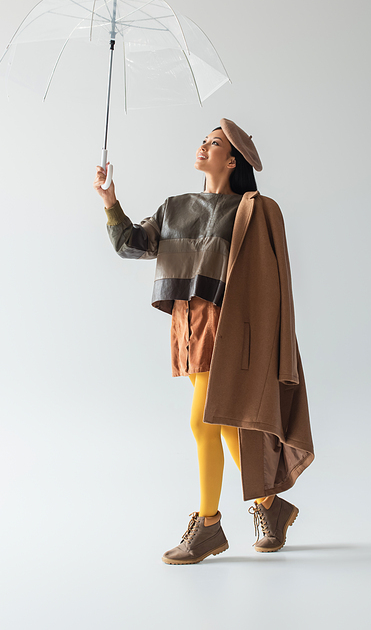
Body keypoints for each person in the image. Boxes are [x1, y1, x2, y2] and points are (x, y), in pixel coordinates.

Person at [93, 118, 314, 565]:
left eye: (214, 144)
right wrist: (110, 203)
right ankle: (271, 508)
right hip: (187, 326)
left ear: (232, 161)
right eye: (204, 140)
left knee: (203, 423)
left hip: (228, 328)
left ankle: (209, 524)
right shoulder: (176, 207)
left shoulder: (249, 210)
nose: (203, 146)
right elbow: (131, 245)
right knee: (223, 422)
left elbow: (267, 278)